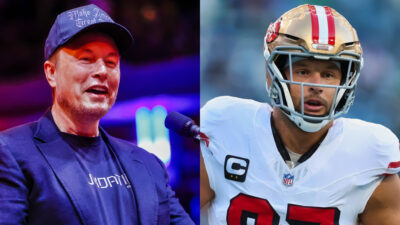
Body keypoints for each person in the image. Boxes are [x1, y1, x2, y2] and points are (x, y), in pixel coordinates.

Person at [200, 4, 400, 225]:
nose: (317, 85)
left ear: (346, 80)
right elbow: (175, 213)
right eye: (303, 71)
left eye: (328, 74)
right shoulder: (227, 125)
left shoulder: (369, 154)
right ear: (273, 73)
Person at [0, 4, 194, 225]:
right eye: (86, 59)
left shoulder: (148, 164)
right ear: (52, 73)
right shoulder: (11, 154)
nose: (102, 71)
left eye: (111, 62)